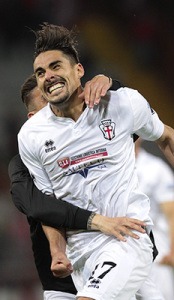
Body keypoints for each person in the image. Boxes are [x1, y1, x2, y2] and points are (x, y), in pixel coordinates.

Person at [18, 23, 174, 300]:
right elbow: (48, 205)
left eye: (56, 66)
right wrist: (57, 251)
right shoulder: (31, 135)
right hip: (79, 256)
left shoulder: (121, 104)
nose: (48, 76)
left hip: (127, 237)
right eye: (40, 72)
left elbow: (167, 138)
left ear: (79, 70)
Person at [9, 74, 131, 300]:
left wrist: (110, 82)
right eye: (47, 103)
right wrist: (97, 221)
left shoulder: (95, 142)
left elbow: (131, 117)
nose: (58, 103)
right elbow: (41, 207)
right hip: (61, 285)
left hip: (113, 261)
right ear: (33, 118)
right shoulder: (21, 165)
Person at [135, 139, 174, 300]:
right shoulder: (105, 167)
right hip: (117, 243)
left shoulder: (155, 169)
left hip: (154, 248)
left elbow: (173, 214)